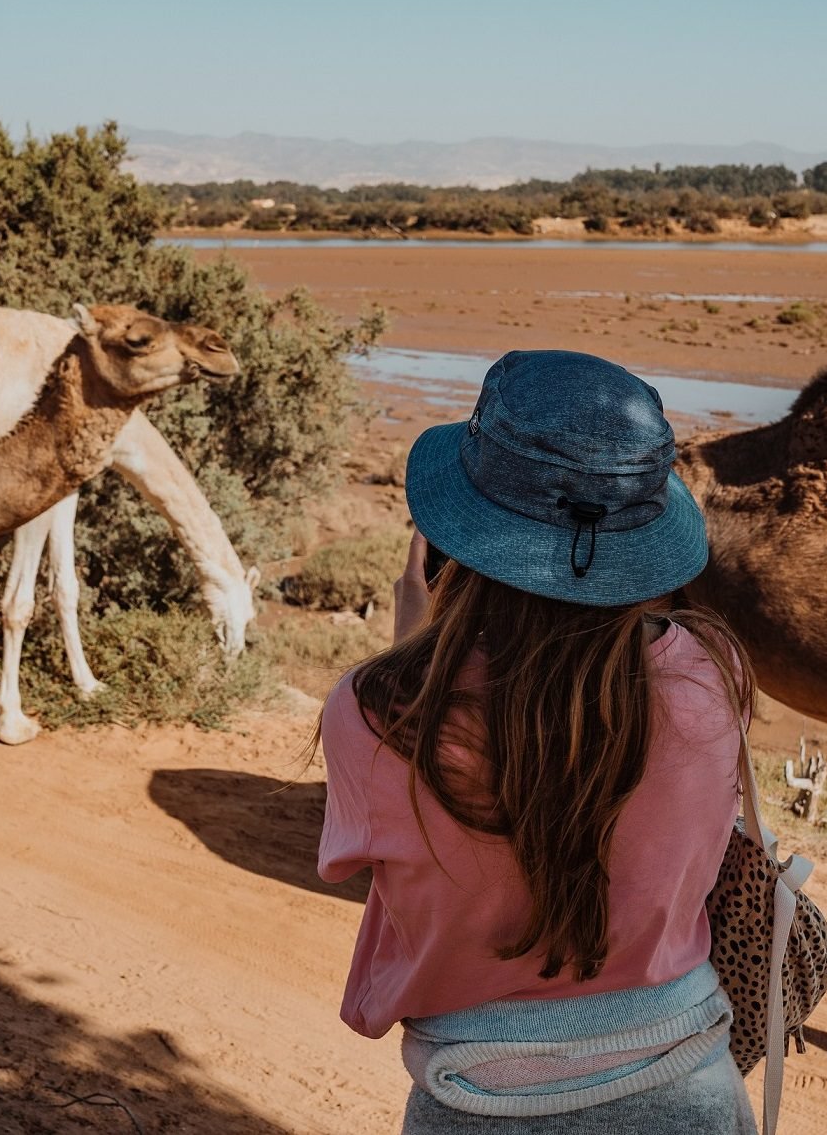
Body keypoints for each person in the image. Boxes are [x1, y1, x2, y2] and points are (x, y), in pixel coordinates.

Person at [315, 350, 757, 1133]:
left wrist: (408, 649)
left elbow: (390, 875)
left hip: (479, 1099)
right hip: (691, 1089)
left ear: (452, 539)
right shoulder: (712, 674)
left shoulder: (375, 714)